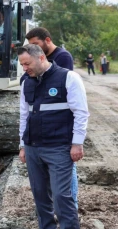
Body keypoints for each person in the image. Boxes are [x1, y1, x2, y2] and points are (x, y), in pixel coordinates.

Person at [18, 44, 89, 229]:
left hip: (59, 149)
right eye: (22, 65)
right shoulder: (26, 83)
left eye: (27, 63)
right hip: (33, 149)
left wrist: (77, 143)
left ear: (41, 58)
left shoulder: (68, 78)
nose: (25, 68)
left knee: (61, 199)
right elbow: (24, 116)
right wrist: (22, 146)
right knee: (41, 200)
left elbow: (81, 113)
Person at [23, 26, 79, 210]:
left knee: (65, 175)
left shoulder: (62, 58)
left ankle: (71, 206)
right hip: (41, 133)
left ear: (47, 41)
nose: (32, 49)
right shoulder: (35, 65)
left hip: (60, 129)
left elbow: (59, 87)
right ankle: (54, 210)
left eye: (35, 45)